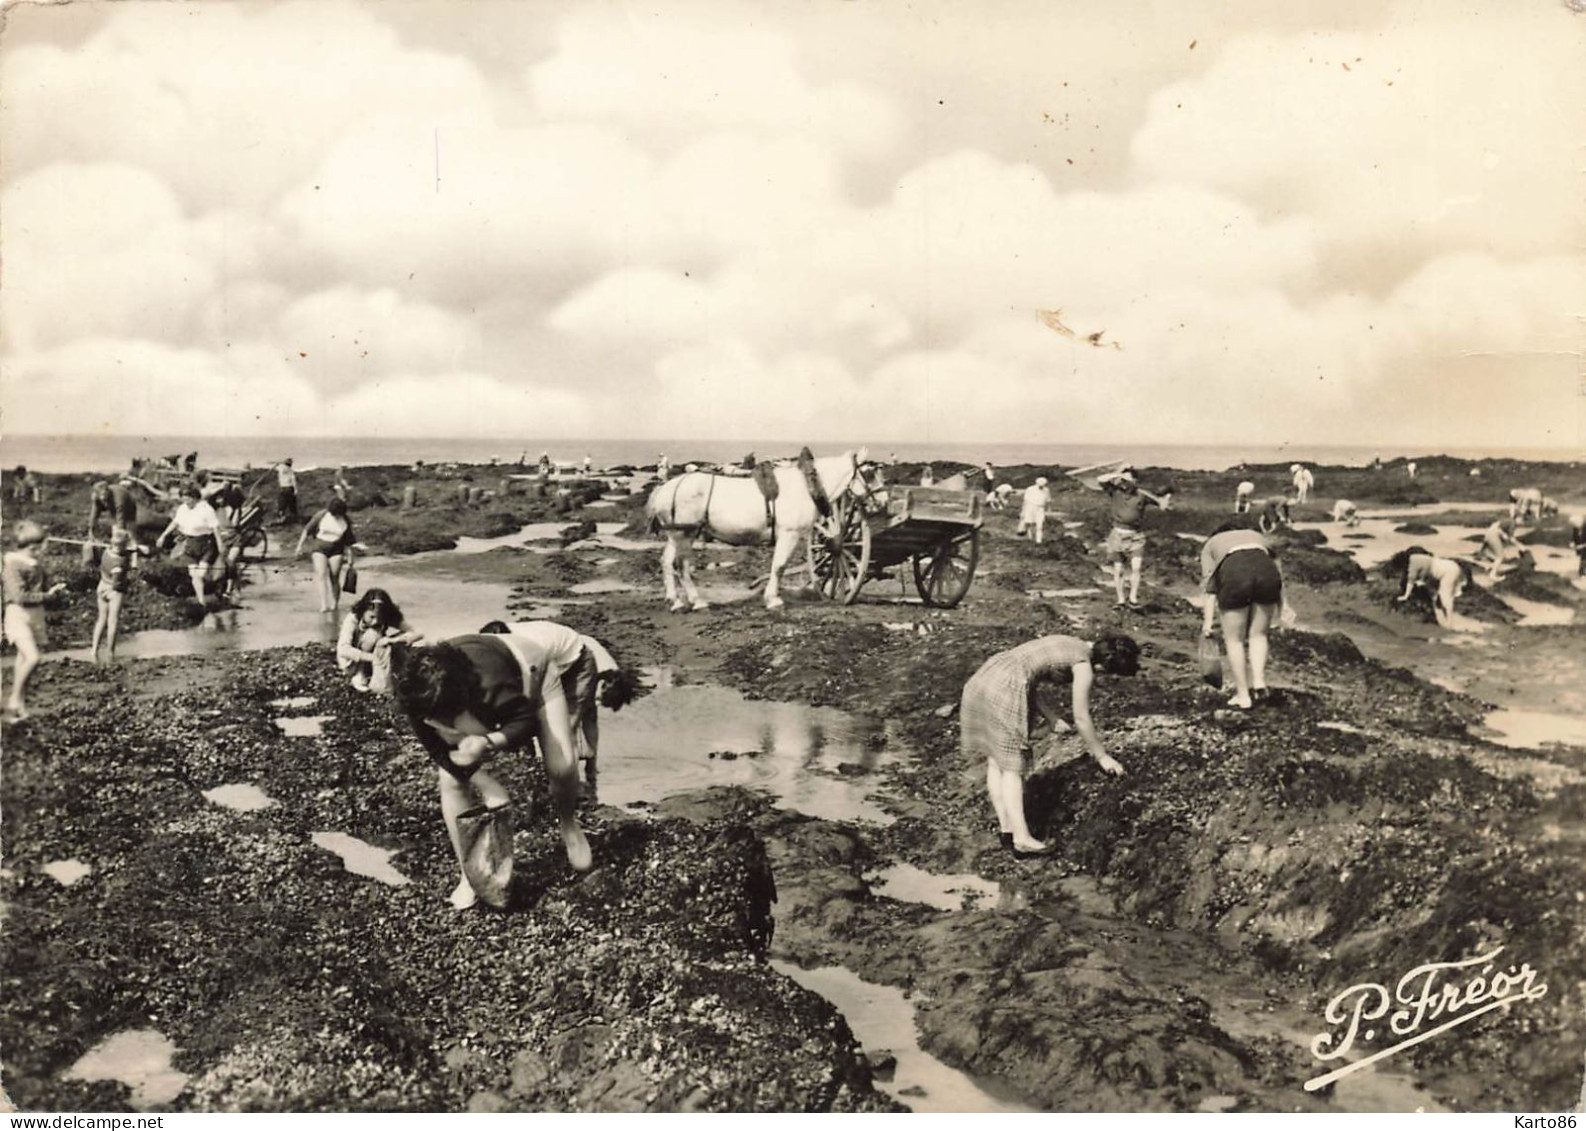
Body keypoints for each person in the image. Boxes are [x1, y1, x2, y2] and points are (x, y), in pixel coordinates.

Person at [391, 635, 596, 909]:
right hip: (475, 675)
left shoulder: (491, 685)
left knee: (562, 767)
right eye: (432, 722)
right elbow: (439, 753)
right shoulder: (416, 694)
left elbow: (524, 721)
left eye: (446, 722)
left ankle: (569, 825)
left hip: (536, 670)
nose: (439, 729)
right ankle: (469, 874)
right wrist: (488, 785)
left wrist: (489, 741)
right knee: (450, 779)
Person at [960, 634, 1139, 857]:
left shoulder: (1074, 643)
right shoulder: (1084, 665)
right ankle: (1022, 840)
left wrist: (1051, 716)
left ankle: (1008, 830)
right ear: (1103, 664)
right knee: (1013, 767)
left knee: (996, 760)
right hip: (1007, 684)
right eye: (1107, 672)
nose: (1102, 676)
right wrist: (1102, 756)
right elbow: (1081, 717)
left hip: (988, 675)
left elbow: (1027, 672)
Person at [478, 619, 637, 764]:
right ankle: (541, 761)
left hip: (577, 657)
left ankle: (567, 771)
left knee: (565, 725)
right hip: (558, 652)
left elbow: (530, 698)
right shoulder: (494, 643)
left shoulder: (531, 650)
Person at [1199, 521, 1295, 710]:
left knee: (1234, 640)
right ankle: (1259, 683)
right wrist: (1284, 606)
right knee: (1259, 634)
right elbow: (1278, 571)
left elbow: (1210, 588)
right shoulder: (1256, 536)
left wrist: (1208, 622)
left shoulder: (1211, 544)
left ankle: (1243, 696)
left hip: (1235, 573)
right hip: (1267, 573)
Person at [1086, 467, 1171, 609]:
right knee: (1118, 569)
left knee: (1136, 568)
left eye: (1128, 480)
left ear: (1135, 481)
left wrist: (1166, 498)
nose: (1124, 483)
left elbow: (1163, 506)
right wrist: (1118, 474)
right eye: (1122, 480)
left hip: (1136, 537)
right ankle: (1120, 600)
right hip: (1117, 535)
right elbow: (1100, 479)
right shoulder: (1114, 491)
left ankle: (1133, 598)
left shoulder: (1142, 495)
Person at [337, 588, 421, 692]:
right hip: (351, 663)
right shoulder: (352, 619)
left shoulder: (385, 617)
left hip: (374, 659)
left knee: (393, 641)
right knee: (373, 634)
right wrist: (372, 657)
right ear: (363, 610)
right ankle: (360, 675)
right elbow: (343, 649)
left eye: (379, 617)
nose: (375, 621)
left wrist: (396, 639)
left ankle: (384, 675)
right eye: (371, 617)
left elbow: (418, 632)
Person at [157, 483, 221, 604]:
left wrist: (220, 544)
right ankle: (202, 601)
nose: (186, 500)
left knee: (200, 574)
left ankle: (212, 589)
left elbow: (215, 528)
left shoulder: (206, 509)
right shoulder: (183, 508)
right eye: (184, 497)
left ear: (195, 497)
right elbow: (175, 523)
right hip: (190, 543)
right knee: (194, 575)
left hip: (206, 544)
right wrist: (163, 536)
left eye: (189, 497)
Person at [91, 526, 143, 664]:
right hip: (114, 591)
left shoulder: (107, 551)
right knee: (113, 622)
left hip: (101, 586)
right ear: (123, 545)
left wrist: (135, 549)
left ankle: (94, 650)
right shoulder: (119, 564)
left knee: (101, 619)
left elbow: (124, 551)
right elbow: (118, 582)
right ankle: (110, 652)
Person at [296, 497, 357, 614]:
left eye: (338, 515)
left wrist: (350, 557)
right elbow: (307, 530)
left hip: (337, 550)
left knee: (334, 576)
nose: (336, 517)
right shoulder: (321, 515)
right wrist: (299, 546)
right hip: (319, 548)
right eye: (334, 514)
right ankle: (324, 604)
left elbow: (349, 541)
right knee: (321, 575)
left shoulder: (346, 520)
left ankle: (335, 604)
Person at [1395, 551, 1472, 629]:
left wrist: (1405, 596)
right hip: (1449, 566)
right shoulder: (1414, 556)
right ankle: (1444, 618)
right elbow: (1425, 568)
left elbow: (1410, 581)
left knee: (1445, 596)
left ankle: (1449, 623)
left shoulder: (1413, 565)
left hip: (1449, 572)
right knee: (1439, 597)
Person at [88, 477, 140, 542]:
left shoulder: (118, 497)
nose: (103, 499)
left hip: (128, 507)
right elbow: (94, 514)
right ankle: (116, 543)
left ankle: (132, 543)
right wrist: (91, 528)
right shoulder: (95, 497)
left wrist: (120, 533)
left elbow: (120, 514)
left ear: (108, 491)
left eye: (105, 496)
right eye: (102, 498)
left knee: (129, 528)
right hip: (113, 508)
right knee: (115, 528)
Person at [1017, 478, 1052, 542]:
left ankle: (1038, 540)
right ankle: (1030, 538)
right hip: (1030, 507)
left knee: (1039, 524)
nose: (1041, 487)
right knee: (1029, 523)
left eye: (1043, 485)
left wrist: (1049, 508)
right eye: (1040, 485)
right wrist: (1023, 511)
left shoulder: (1046, 490)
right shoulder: (1030, 489)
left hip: (1040, 508)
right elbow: (1025, 501)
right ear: (1036, 483)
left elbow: (1048, 500)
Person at [274, 458, 299, 524]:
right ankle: (294, 518)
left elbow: (275, 466)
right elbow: (293, 480)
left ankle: (280, 519)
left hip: (282, 489)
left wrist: (279, 463)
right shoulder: (290, 470)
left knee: (282, 505)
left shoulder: (280, 469)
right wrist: (296, 490)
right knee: (292, 505)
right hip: (289, 488)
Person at [1570, 512, 1586, 577]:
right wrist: (1572, 542)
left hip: (1583, 546)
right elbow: (1574, 536)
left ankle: (1583, 570)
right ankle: (1582, 571)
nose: (1577, 527)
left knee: (1584, 556)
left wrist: (1582, 546)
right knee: (1583, 556)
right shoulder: (1576, 527)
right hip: (1582, 547)